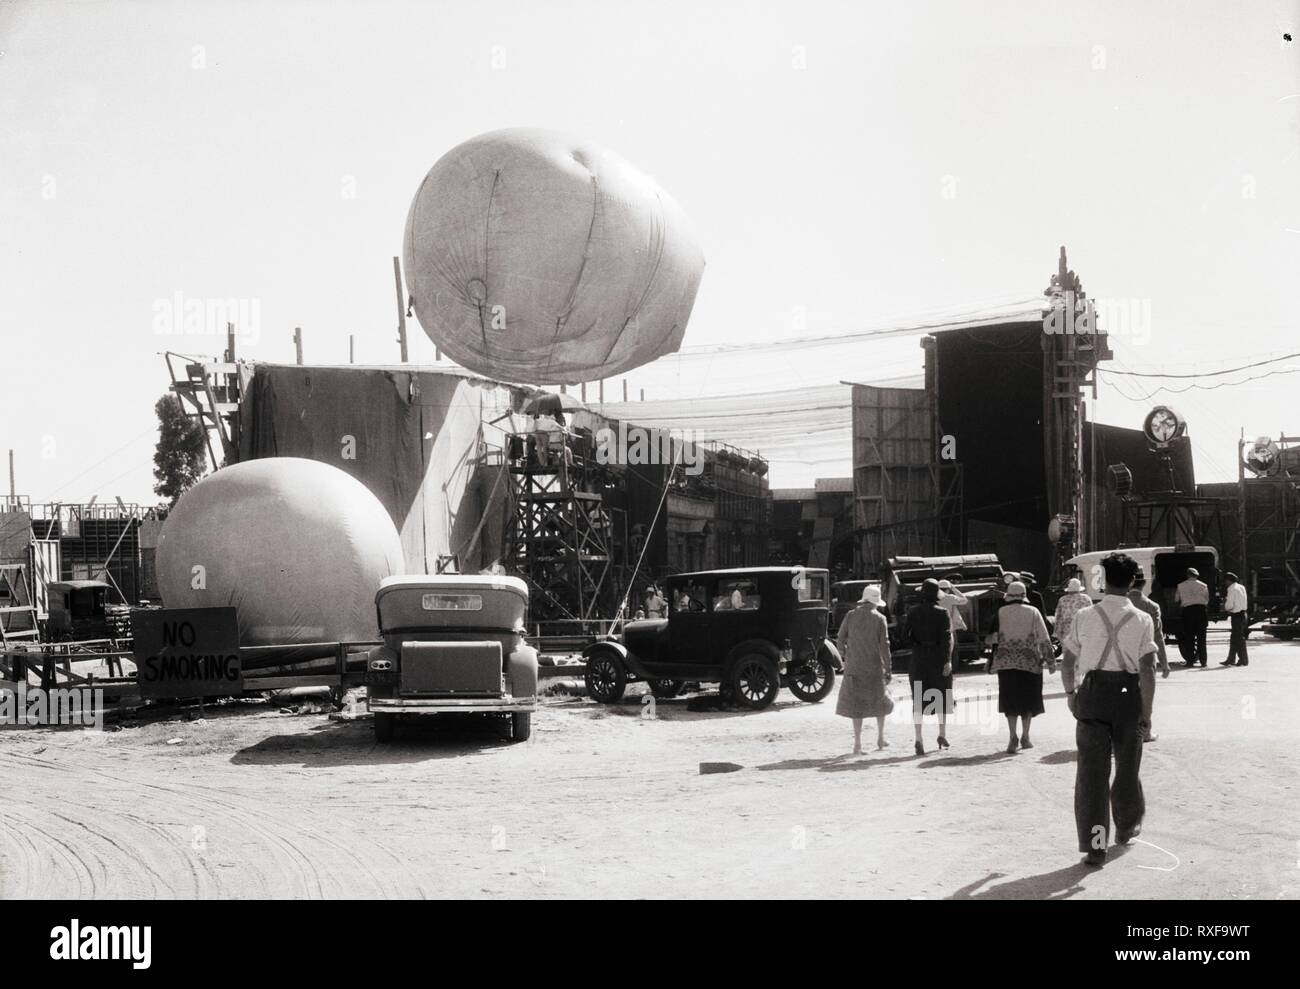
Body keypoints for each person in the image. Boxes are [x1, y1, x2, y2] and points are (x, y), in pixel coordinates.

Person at [1061, 552, 1159, 868]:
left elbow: (1068, 663)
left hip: (1091, 696)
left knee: (1091, 773)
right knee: (1128, 766)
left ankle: (1095, 846)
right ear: (1132, 581)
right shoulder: (1142, 619)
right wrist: (1147, 712)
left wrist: (1070, 694)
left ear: (1102, 579)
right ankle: (1127, 827)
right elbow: (1147, 671)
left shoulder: (1084, 616)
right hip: (1127, 696)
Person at [989, 581, 1056, 752]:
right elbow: (1044, 637)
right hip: (1029, 662)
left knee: (1010, 700)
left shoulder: (1000, 612)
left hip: (1006, 663)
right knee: (1028, 700)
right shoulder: (1033, 611)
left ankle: (1012, 737)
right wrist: (1050, 661)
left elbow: (991, 638)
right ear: (1024, 595)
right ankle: (1026, 737)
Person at [835, 584, 894, 753]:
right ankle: (881, 738)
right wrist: (888, 668)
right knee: (880, 702)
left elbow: (840, 639)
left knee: (856, 704)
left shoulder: (851, 615)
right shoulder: (879, 619)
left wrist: (846, 657)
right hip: (874, 667)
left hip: (854, 667)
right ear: (875, 601)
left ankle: (858, 744)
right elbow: (885, 646)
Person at [905, 578, 953, 755]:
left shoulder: (912, 612)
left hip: (918, 657)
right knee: (941, 696)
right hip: (938, 657)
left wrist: (916, 644)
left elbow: (905, 635)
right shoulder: (943, 612)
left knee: (918, 698)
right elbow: (946, 638)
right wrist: (947, 660)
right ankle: (942, 733)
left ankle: (918, 738)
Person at [1128, 567, 1172, 742]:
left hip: (1123, 658)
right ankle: (1145, 731)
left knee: (1126, 694)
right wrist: (1165, 662)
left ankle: (1125, 729)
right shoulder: (1151, 606)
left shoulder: (1122, 604)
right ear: (1144, 583)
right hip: (1146, 658)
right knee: (1146, 696)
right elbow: (1158, 637)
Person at [1175, 567, 1209, 667]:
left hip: (1188, 612)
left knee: (1189, 638)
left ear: (1187, 575)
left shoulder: (1180, 585)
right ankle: (1203, 661)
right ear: (1196, 575)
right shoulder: (1203, 585)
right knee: (1201, 638)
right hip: (1201, 611)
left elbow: (1176, 600)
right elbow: (1207, 600)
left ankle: (1190, 661)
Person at [937, 579, 968, 664]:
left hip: (935, 627)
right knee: (950, 648)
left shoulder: (933, 598)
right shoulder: (950, 597)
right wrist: (954, 589)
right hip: (949, 626)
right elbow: (964, 600)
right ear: (947, 589)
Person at [1053, 577, 1092, 645]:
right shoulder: (1086, 599)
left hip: (1067, 634)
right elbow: (1091, 616)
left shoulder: (1062, 600)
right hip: (1082, 632)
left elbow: (1058, 617)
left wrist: (1057, 634)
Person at [1221, 572, 1249, 666]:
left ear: (1229, 581)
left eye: (1225, 580)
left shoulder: (1231, 589)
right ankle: (1231, 659)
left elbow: (1229, 605)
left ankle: (1243, 660)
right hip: (1243, 613)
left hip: (1236, 615)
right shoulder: (1241, 587)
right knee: (1235, 638)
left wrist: (1225, 606)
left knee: (1238, 638)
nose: (1225, 583)